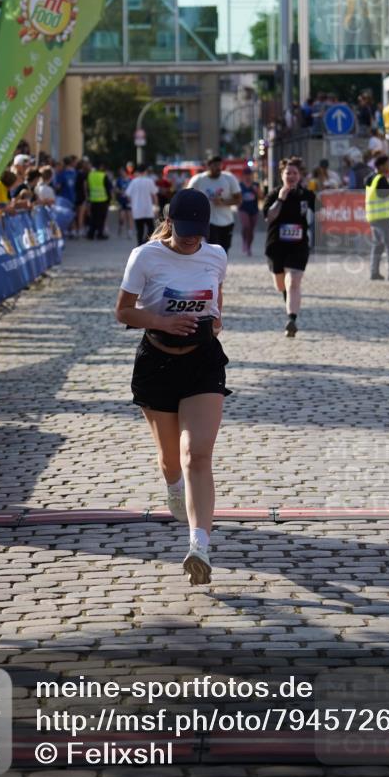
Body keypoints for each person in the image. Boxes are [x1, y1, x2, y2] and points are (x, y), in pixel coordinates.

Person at [115, 189, 230, 586]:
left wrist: (214, 323)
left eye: (198, 233)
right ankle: (173, 488)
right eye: (184, 232)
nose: (191, 239)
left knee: (196, 454)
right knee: (170, 461)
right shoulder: (145, 256)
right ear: (169, 222)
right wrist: (162, 322)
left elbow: (217, 304)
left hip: (202, 361)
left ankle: (199, 545)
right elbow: (122, 311)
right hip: (157, 362)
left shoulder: (216, 255)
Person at [262, 157, 315, 337]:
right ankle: (289, 304)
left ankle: (291, 319)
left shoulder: (307, 195)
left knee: (293, 282)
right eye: (287, 173)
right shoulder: (274, 194)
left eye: (294, 173)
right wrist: (281, 199)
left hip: (298, 246)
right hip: (276, 246)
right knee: (281, 285)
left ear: (300, 176)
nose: (291, 176)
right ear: (282, 175)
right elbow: (269, 217)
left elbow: (321, 215)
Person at [188, 155, 241, 253]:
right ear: (208, 166)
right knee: (213, 248)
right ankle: (213, 267)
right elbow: (187, 197)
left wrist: (223, 202)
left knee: (225, 250)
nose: (218, 168)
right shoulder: (198, 179)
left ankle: (221, 267)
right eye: (215, 165)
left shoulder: (229, 178)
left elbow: (238, 199)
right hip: (208, 221)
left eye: (220, 165)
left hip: (227, 221)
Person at [126, 163, 158, 246]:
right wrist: (156, 206)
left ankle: (139, 244)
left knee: (139, 230)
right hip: (147, 209)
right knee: (151, 229)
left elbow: (128, 195)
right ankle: (145, 243)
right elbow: (154, 195)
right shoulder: (149, 181)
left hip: (137, 209)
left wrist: (132, 203)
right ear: (146, 171)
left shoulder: (134, 181)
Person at [86, 159, 112, 240]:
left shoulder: (90, 175)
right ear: (101, 167)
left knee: (93, 217)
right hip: (102, 199)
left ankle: (91, 234)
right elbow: (108, 188)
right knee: (101, 218)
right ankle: (100, 234)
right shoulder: (103, 175)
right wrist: (109, 199)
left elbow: (88, 187)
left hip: (93, 199)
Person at [238, 167, 260, 256]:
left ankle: (249, 247)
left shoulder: (255, 184)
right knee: (246, 226)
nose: (248, 177)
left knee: (251, 230)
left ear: (252, 176)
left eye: (249, 175)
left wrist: (256, 191)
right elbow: (236, 196)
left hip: (254, 209)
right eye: (246, 175)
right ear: (243, 176)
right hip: (243, 209)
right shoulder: (240, 185)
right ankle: (244, 241)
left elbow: (261, 196)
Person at [115, 166, 134, 239]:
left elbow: (133, 191)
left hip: (129, 200)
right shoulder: (119, 180)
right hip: (121, 200)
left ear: (126, 172)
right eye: (120, 172)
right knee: (121, 217)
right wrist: (120, 191)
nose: (121, 173)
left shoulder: (130, 180)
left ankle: (130, 232)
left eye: (122, 172)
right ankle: (121, 226)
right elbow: (116, 189)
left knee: (129, 216)